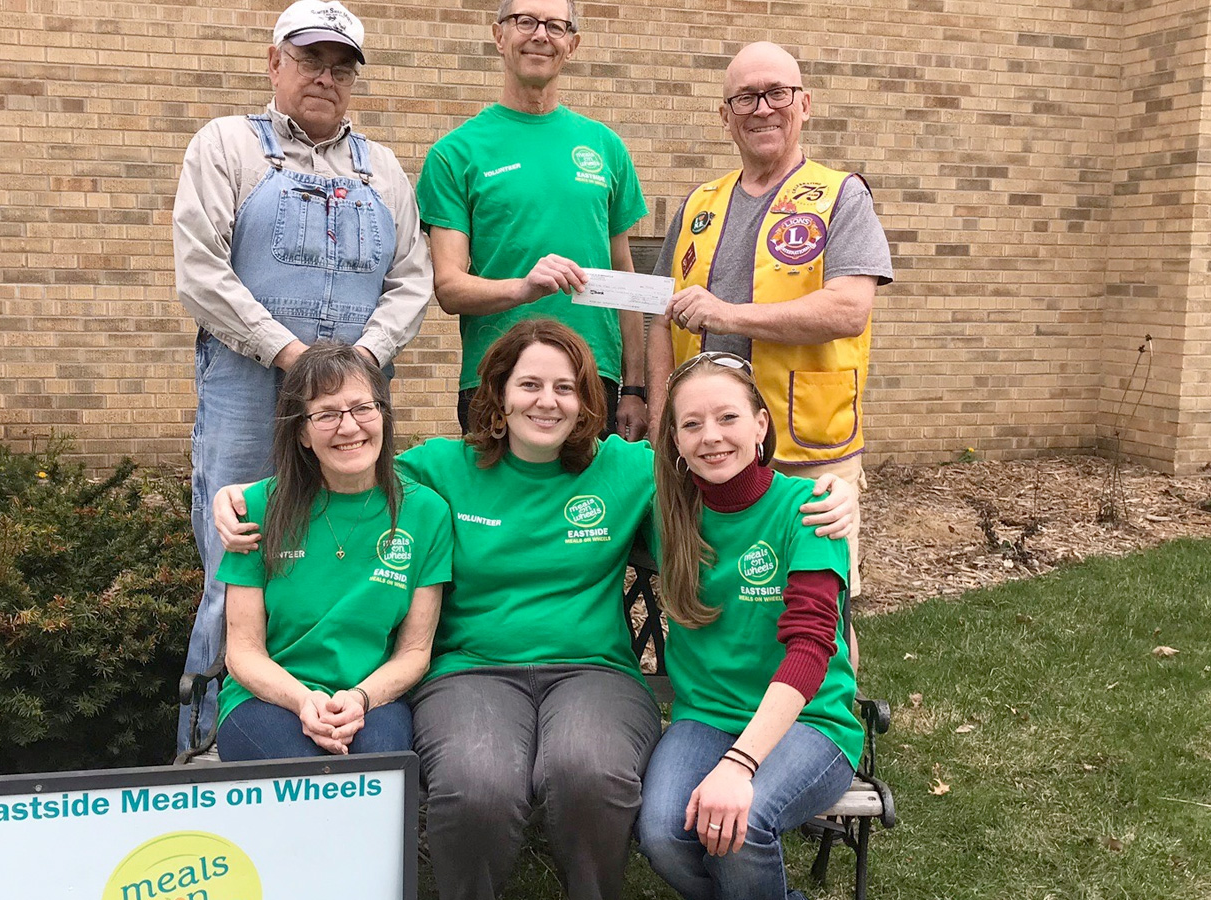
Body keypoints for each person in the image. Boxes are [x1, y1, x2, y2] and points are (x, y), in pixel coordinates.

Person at [215, 321, 857, 900]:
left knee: (590, 771)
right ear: (498, 394)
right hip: (471, 672)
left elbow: (726, 470)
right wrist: (237, 494)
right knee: (476, 784)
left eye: (565, 387)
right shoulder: (442, 467)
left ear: (585, 402)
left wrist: (837, 490)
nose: (546, 401)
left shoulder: (629, 469)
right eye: (529, 384)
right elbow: (350, 467)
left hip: (593, 670)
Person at [172, 0, 433, 753]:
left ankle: (351, 717)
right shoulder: (226, 146)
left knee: (354, 553)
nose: (326, 77)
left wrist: (361, 364)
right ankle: (207, 746)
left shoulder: (380, 167)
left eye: (341, 66)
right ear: (274, 62)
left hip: (356, 398)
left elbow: (411, 280)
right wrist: (292, 357)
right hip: (250, 394)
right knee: (239, 557)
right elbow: (199, 271)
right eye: (311, 60)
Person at [645, 41, 893, 589]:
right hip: (712, 448)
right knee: (718, 592)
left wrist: (729, 315)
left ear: (804, 103)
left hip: (805, 451)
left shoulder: (840, 196)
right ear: (725, 117)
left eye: (776, 93)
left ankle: (822, 679)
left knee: (818, 600)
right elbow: (660, 318)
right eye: (745, 98)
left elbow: (850, 309)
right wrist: (664, 421)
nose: (762, 108)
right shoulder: (698, 205)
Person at [636, 351, 863, 900]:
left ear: (761, 424)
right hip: (706, 716)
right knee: (662, 833)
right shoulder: (665, 510)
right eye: (691, 424)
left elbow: (811, 647)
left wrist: (740, 764)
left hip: (810, 723)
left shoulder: (807, 508)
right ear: (674, 441)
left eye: (728, 417)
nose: (710, 436)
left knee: (740, 829)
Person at [417, 0, 650, 440]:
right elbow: (449, 287)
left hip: (591, 375)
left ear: (572, 44)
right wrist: (525, 288)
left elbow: (625, 275)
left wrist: (635, 386)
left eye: (556, 26)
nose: (540, 34)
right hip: (497, 375)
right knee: (498, 509)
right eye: (525, 21)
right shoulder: (455, 153)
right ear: (499, 35)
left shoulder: (605, 146)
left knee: (592, 509)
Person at [213, 344, 450, 761]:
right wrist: (304, 701)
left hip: (373, 698)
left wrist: (359, 698)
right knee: (304, 776)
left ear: (382, 414)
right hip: (268, 698)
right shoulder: (255, 508)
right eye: (326, 414)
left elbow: (414, 653)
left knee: (378, 774)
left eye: (363, 408)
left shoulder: (426, 512)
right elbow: (243, 651)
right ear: (302, 432)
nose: (349, 427)